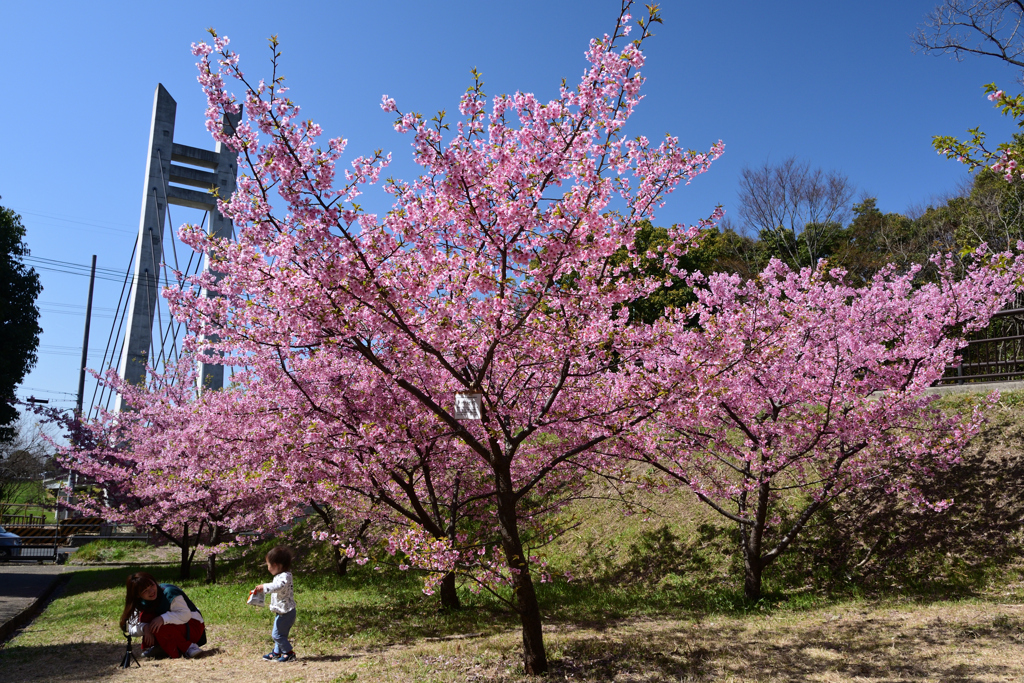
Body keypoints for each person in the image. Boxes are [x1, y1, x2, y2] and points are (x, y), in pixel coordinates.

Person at [119, 572, 206, 659]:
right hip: (170, 628)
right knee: (146, 617)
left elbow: (185, 615)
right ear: (137, 595)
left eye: (152, 585)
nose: (152, 591)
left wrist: (162, 618)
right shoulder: (138, 602)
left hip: (193, 626)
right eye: (145, 591)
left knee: (158, 625)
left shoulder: (169, 592)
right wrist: (144, 627)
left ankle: (189, 647)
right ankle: (160, 647)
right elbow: (130, 627)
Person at [252, 546, 297, 662]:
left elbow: (278, 586)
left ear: (276, 565)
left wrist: (265, 587)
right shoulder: (281, 576)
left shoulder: (285, 577)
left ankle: (289, 653)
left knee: (277, 635)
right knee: (280, 634)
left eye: (268, 564)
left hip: (286, 612)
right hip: (283, 611)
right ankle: (277, 653)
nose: (268, 568)